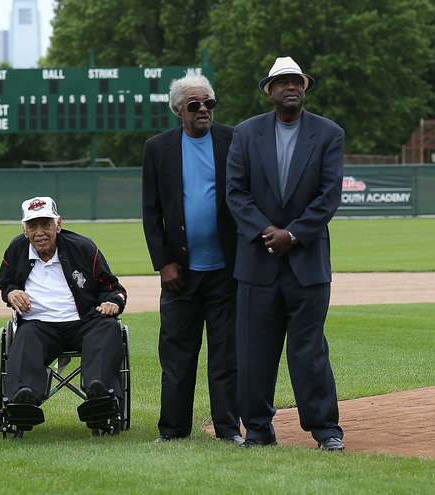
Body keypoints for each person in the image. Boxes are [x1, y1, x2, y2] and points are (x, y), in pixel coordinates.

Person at [225, 57, 345, 451]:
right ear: (270, 90)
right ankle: (257, 430)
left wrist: (292, 235)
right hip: (258, 262)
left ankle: (326, 430)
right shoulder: (245, 134)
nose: (290, 87)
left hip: (307, 263)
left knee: (309, 351)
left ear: (305, 88)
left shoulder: (329, 134)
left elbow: (328, 197)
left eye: (297, 81)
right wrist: (267, 232)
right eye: (282, 82)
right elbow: (236, 193)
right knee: (254, 352)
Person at [141, 74, 240, 444]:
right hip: (180, 273)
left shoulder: (233, 140)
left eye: (208, 104)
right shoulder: (158, 148)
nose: (203, 111)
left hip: (226, 272)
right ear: (178, 111)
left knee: (226, 356)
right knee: (177, 357)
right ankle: (172, 431)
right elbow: (151, 213)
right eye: (194, 105)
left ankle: (229, 429)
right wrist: (163, 263)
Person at [0, 196, 128, 432]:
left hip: (84, 322)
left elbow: (113, 288)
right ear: (24, 230)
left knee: (107, 327)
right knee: (25, 337)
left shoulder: (83, 247)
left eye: (46, 225)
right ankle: (23, 400)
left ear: (58, 224)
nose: (40, 232)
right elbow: (5, 284)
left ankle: (99, 395)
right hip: (38, 325)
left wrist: (113, 304)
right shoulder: (17, 249)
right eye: (33, 226)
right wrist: (11, 293)